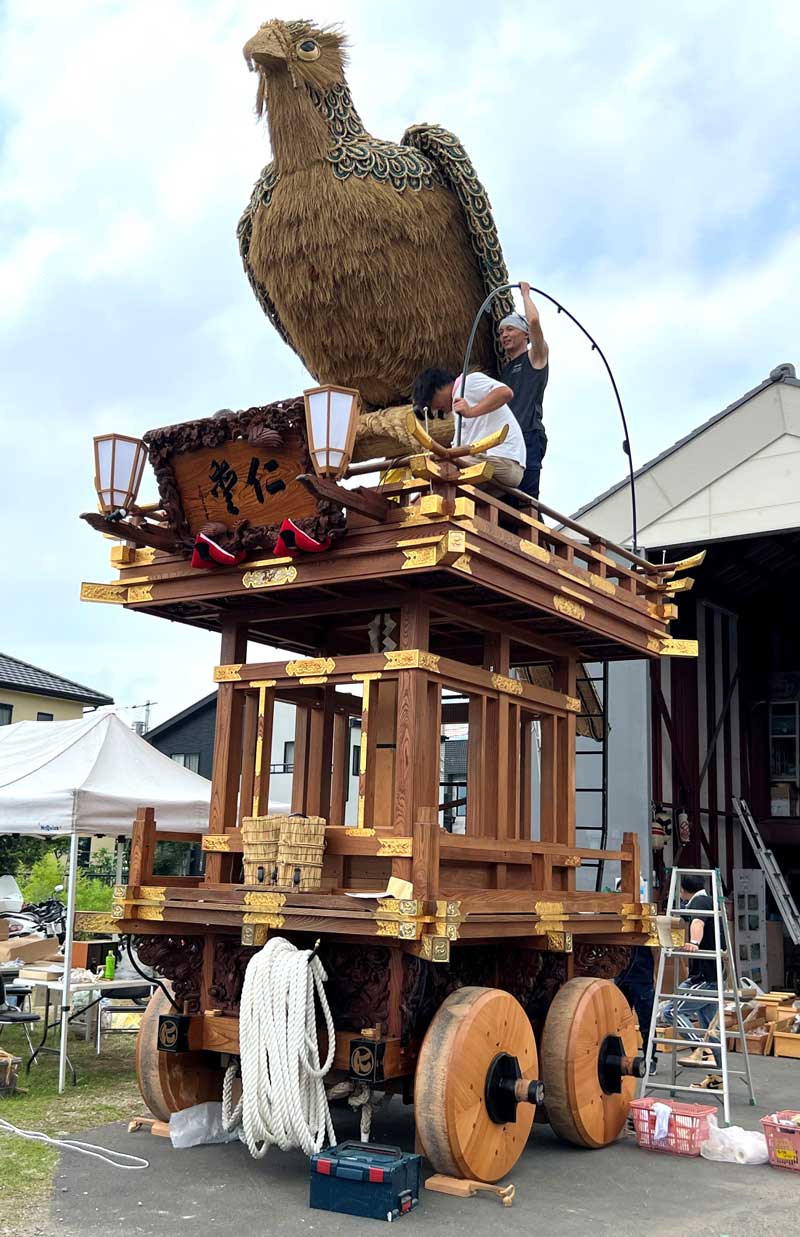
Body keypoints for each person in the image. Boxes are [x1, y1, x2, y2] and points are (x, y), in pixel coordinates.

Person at [412, 366, 526, 491]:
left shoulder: (468, 383)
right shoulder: (458, 409)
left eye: (430, 402)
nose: (434, 408)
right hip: (497, 471)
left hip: (503, 460)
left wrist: (471, 411)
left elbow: (505, 393)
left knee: (443, 470)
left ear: (436, 388)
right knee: (444, 480)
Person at [665, 874, 723, 1090]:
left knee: (671, 1011)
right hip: (710, 976)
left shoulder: (700, 902)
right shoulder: (707, 901)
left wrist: (693, 942)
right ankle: (717, 1077)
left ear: (683, 889)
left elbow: (698, 921)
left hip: (705, 977)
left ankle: (702, 1051)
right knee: (711, 1029)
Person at [498, 281, 549, 499]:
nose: (504, 335)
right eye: (501, 331)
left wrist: (525, 294)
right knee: (508, 498)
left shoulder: (535, 357)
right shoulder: (504, 371)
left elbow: (534, 321)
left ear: (525, 334)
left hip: (529, 434)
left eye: (510, 329)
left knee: (527, 499)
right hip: (508, 440)